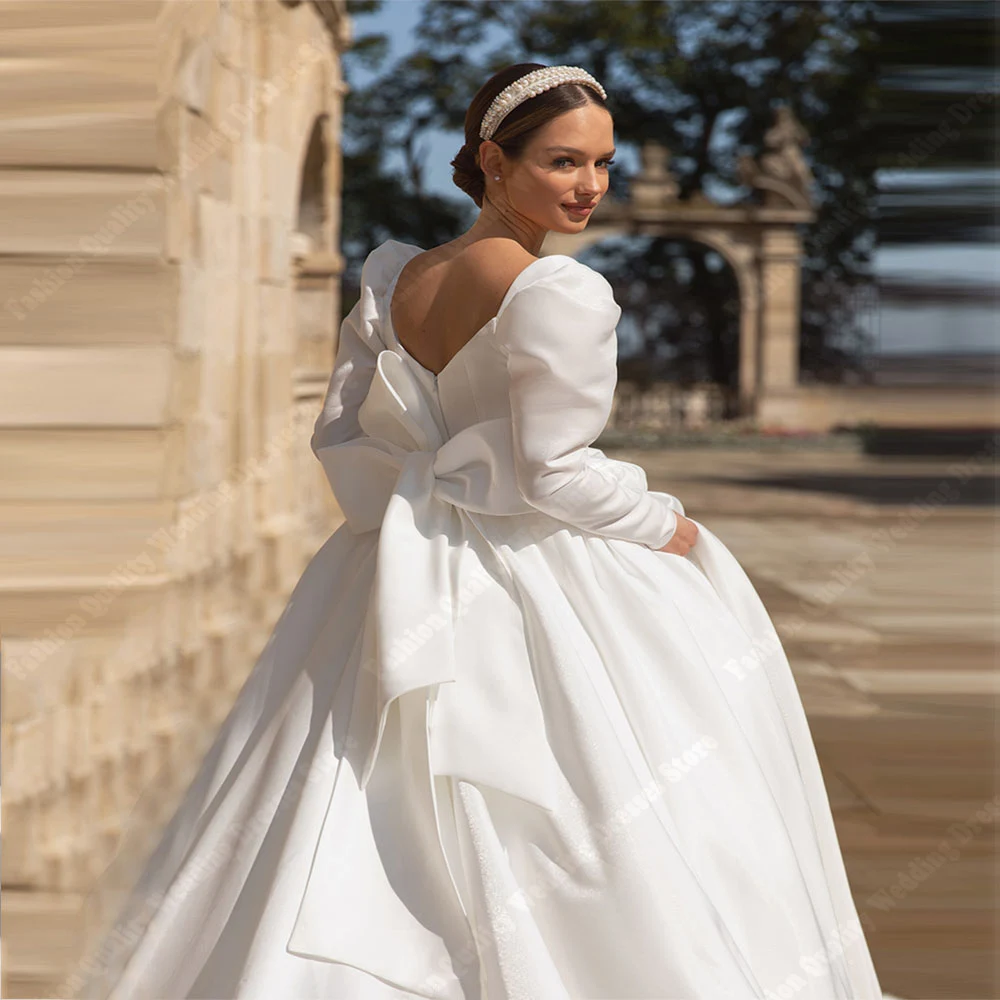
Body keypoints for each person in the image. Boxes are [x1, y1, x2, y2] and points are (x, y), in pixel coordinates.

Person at [72, 63, 885, 1000]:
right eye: (562, 161)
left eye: (603, 164)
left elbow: (340, 439)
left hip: (382, 570)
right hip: (538, 571)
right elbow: (552, 474)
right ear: (494, 162)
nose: (589, 186)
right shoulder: (559, 293)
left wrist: (413, 501)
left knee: (331, 791)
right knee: (609, 804)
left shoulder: (393, 281)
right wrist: (667, 525)